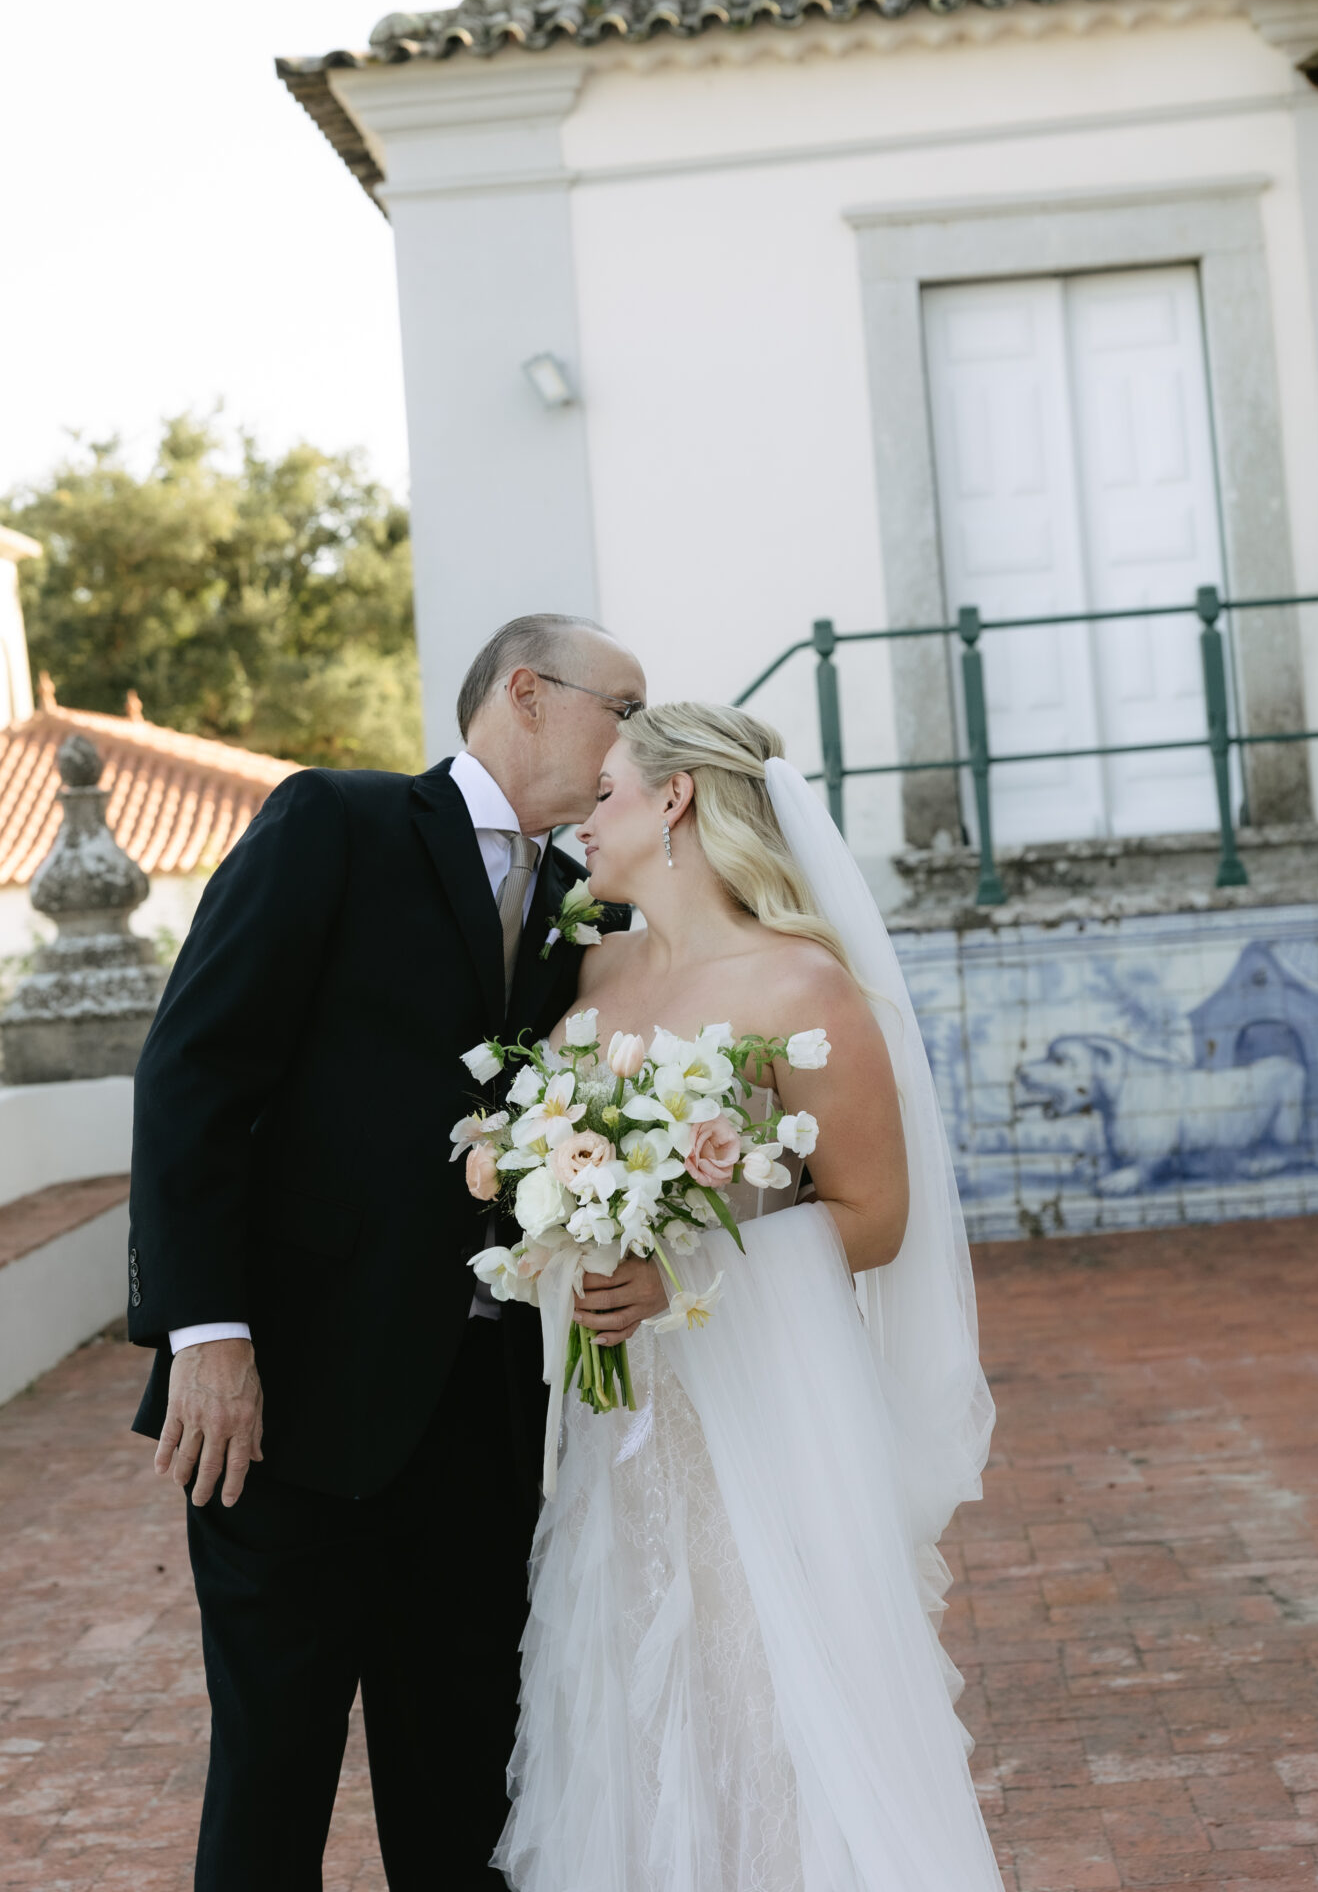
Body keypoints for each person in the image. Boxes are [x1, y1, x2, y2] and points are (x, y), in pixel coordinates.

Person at [126, 612, 648, 1892]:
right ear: (526, 692)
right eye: (624, 709)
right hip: (285, 1407)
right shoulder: (336, 824)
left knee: (467, 1791)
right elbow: (194, 1074)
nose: (637, 739)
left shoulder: (585, 907)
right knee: (273, 1780)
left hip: (479, 1422)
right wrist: (207, 1333)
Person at [497, 702, 1003, 1892]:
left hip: (758, 1415)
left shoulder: (800, 984)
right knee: (632, 1708)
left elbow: (875, 1214)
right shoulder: (593, 967)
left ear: (674, 798)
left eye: (606, 793)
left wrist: (676, 1269)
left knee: (766, 1705)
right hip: (619, 1421)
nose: (584, 820)